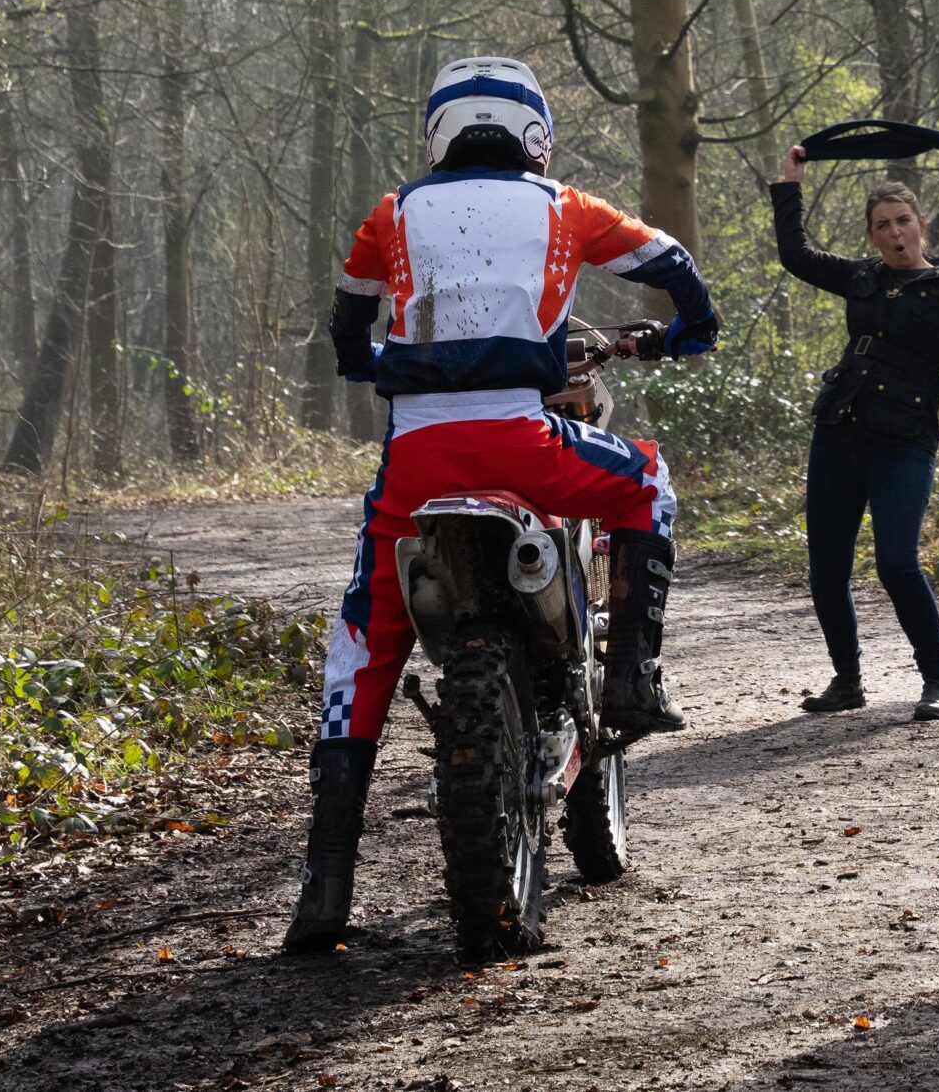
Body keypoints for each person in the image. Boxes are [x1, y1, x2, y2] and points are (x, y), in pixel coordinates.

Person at [285, 57, 718, 953]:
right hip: (528, 442)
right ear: (535, 134)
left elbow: (346, 328)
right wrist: (690, 331)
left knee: (363, 646)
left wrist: (377, 369)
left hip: (416, 460)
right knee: (647, 480)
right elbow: (673, 265)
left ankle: (325, 885)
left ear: (439, 132)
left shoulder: (391, 213)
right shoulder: (566, 205)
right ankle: (634, 673)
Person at [773, 147, 939, 722]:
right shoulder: (861, 278)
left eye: (903, 220)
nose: (895, 232)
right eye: (883, 225)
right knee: (826, 568)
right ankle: (847, 681)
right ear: (872, 236)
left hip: (904, 439)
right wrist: (790, 184)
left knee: (898, 563)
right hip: (839, 432)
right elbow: (796, 254)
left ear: (921, 225)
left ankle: (937, 680)